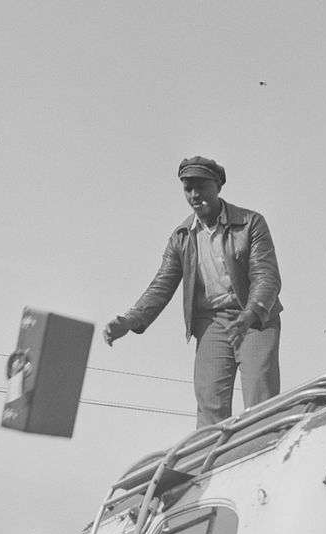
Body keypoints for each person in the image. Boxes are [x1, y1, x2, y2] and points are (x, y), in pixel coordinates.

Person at [103, 156, 283, 426]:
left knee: (260, 399)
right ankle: (214, 465)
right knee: (210, 403)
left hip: (253, 318)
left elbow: (265, 275)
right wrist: (130, 320)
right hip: (211, 322)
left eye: (201, 186)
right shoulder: (181, 237)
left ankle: (266, 450)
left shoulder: (251, 223)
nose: (195, 195)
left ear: (218, 186)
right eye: (188, 188)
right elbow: (161, 285)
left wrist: (250, 315)